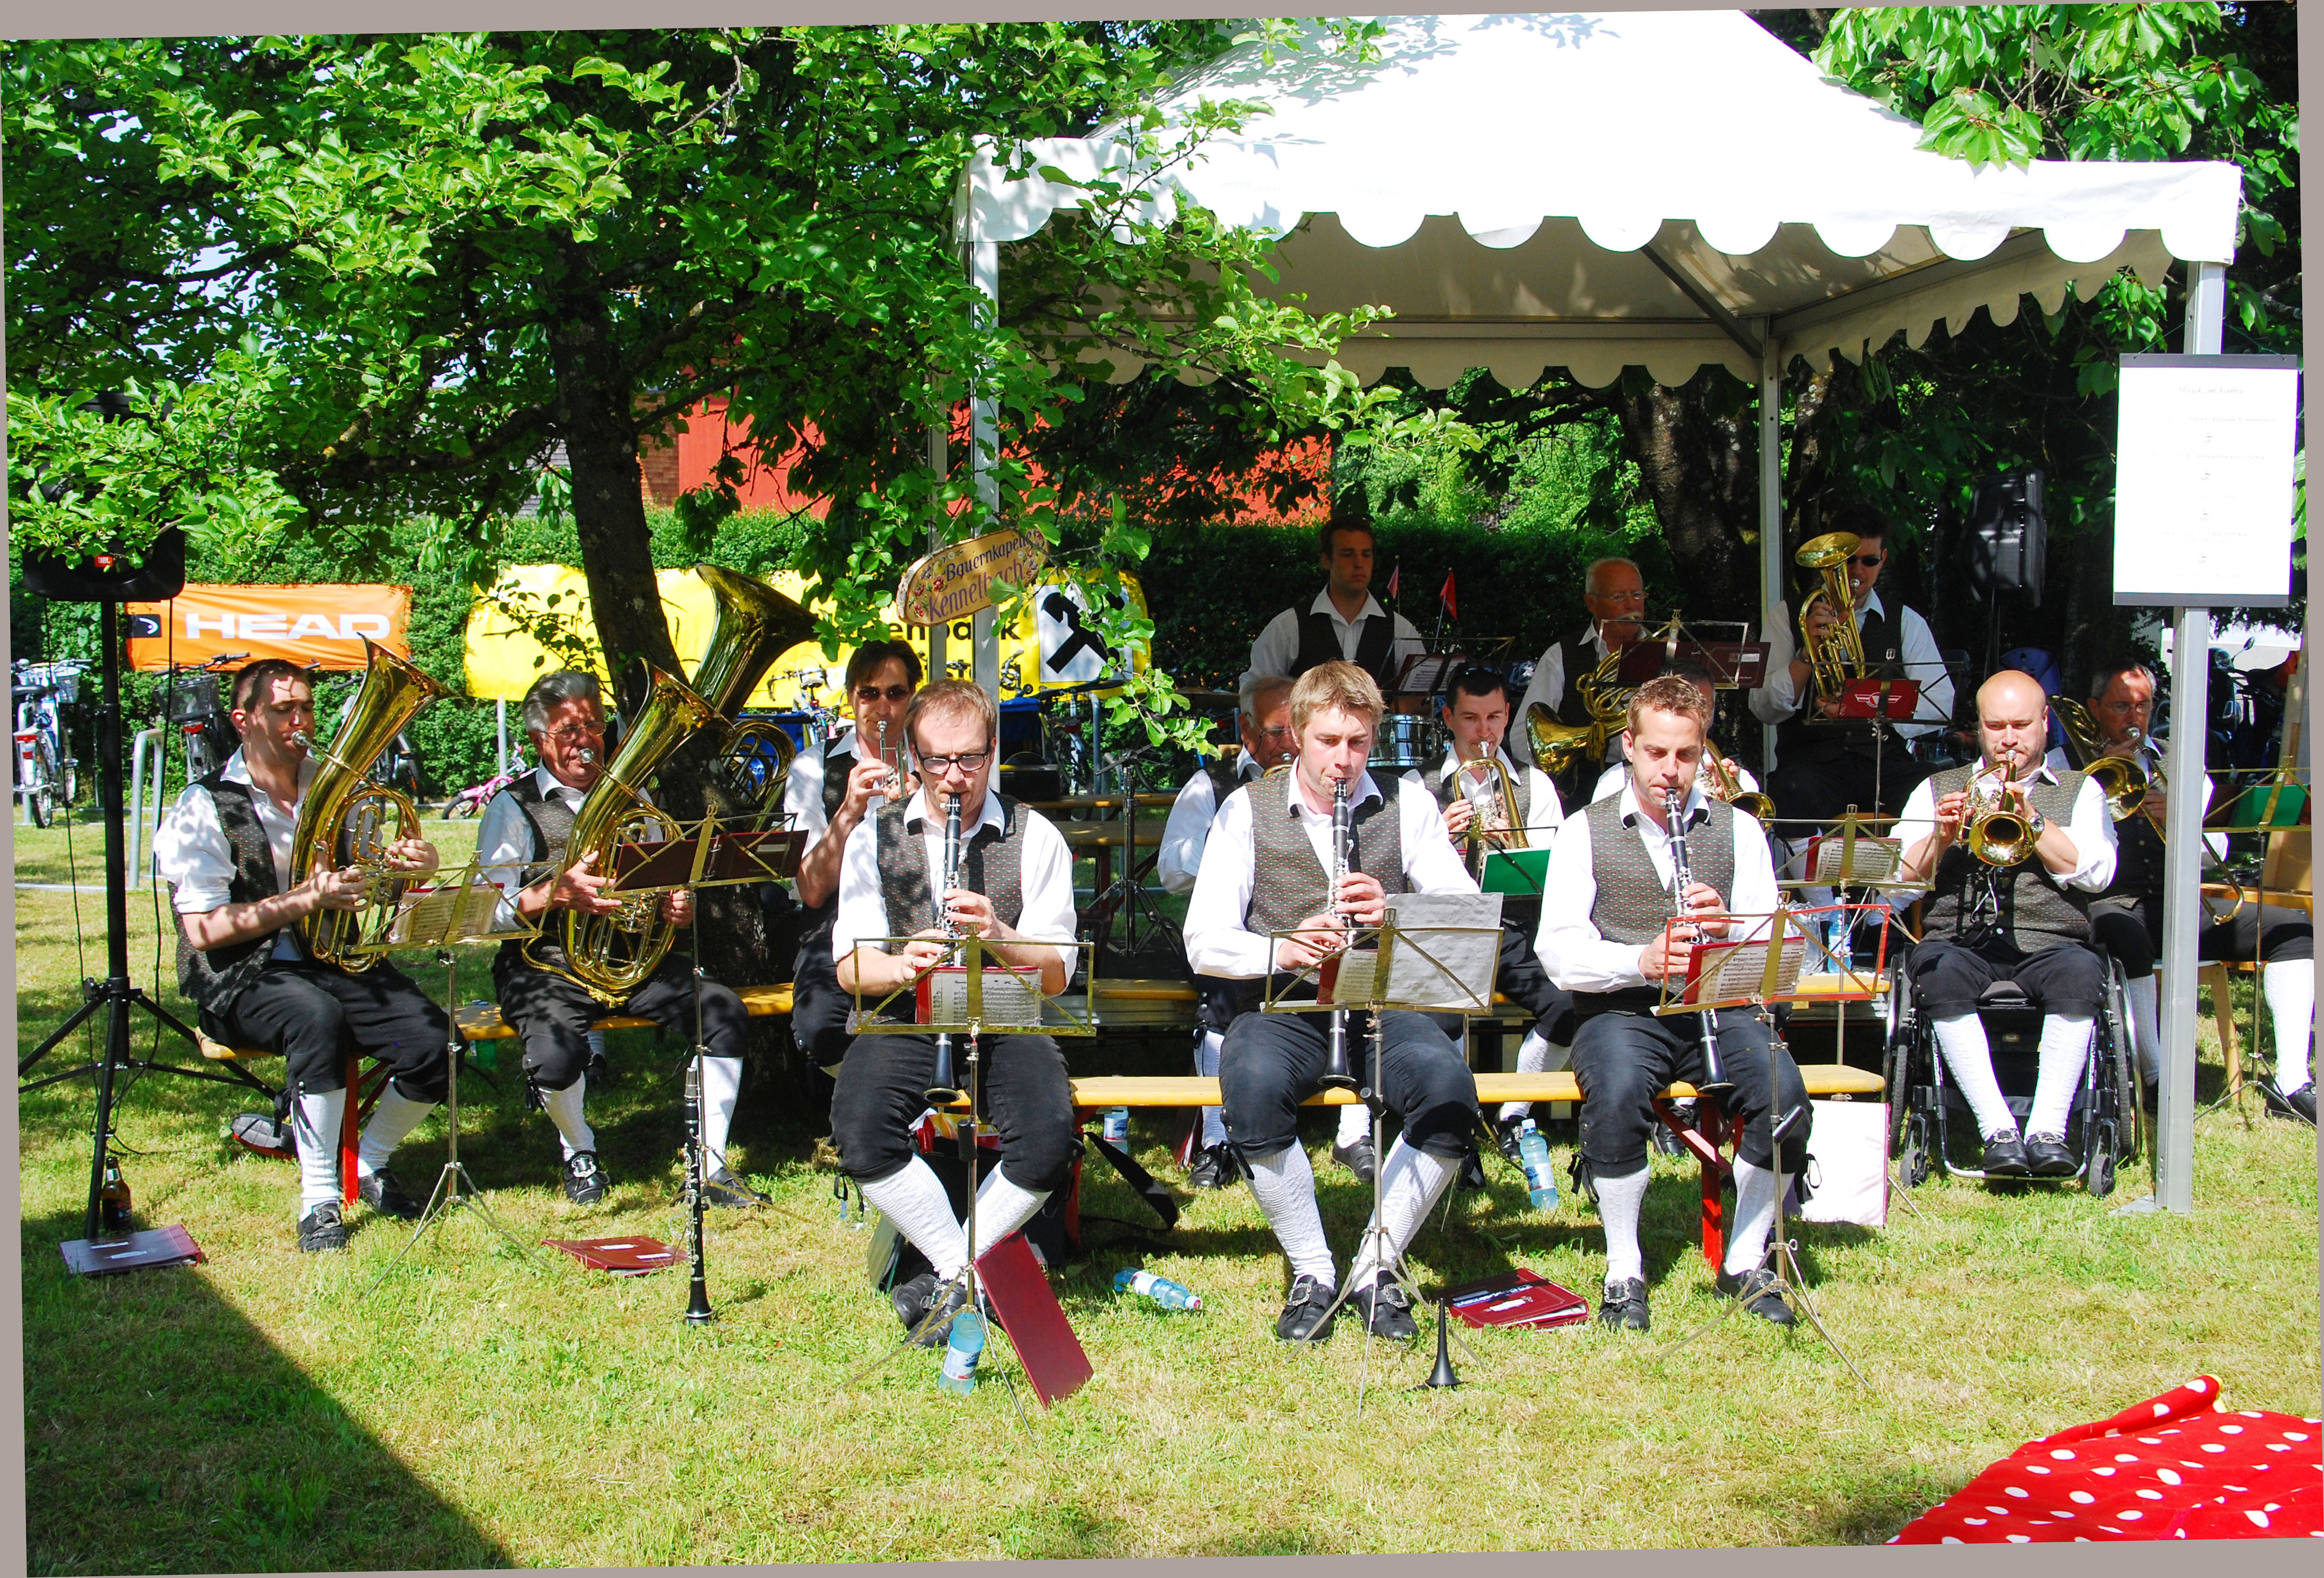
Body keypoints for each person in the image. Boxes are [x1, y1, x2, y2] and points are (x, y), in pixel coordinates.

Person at [1185, 661, 1483, 1343]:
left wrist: (1394, 912)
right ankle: (1313, 1268)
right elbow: (1202, 940)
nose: (1342, 760)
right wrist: (1283, 948)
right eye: (1326, 741)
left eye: (1357, 742)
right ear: (1295, 733)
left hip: (1381, 1005)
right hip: (1285, 1007)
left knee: (1448, 1090)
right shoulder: (1245, 809)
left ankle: (1376, 1265)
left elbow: (1465, 915)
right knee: (1250, 1084)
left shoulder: (1409, 805)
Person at [1535, 673, 1809, 1332]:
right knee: (1616, 1093)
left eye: (1685, 755)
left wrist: (1729, 926)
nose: (1670, 771)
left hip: (1718, 1005)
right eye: (1656, 752)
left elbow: (1773, 945)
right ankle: (1623, 1267)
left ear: (1702, 751)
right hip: (1620, 1006)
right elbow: (1557, 951)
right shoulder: (1582, 831)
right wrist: (1640, 959)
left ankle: (1744, 1260)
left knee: (1785, 1097)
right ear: (1628, 746)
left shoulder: (1739, 829)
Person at [154, 658, 454, 1252]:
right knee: (316, 1017)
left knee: (435, 1043)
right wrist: (303, 898)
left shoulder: (333, 787)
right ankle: (319, 1198)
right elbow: (206, 929)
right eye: (283, 709)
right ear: (243, 720)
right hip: (241, 977)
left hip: (334, 961)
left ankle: (369, 1161)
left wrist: (412, 868)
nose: (301, 720)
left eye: (307, 707)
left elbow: (375, 885)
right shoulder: (204, 804)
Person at [829, 680, 1082, 1343]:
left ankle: (950, 1279)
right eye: (937, 760)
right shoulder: (873, 836)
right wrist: (902, 965)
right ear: (913, 758)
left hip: (1003, 1011)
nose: (953, 777)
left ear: (992, 750)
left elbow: (1057, 974)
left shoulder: (1036, 835)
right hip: (907, 1014)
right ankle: (960, 1271)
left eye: (970, 758)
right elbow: (850, 967)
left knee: (1048, 1137)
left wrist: (997, 931)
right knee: (860, 1130)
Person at [476, 670, 761, 1208]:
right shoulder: (511, 807)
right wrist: (553, 894)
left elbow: (661, 881)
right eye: (568, 730)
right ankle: (579, 1149)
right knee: (555, 1058)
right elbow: (484, 910)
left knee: (722, 1012)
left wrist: (674, 908)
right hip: (546, 965)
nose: (585, 740)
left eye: (592, 726)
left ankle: (709, 1165)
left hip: (632, 961)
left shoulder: (637, 800)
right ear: (538, 740)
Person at [2055, 659, 2314, 1124]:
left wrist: (2180, 819)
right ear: (2093, 708)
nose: (2134, 717)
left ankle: (2291, 1084)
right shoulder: (2061, 765)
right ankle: (2156, 1077)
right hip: (2106, 903)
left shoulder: (2177, 761)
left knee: (2294, 931)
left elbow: (2214, 855)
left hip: (2179, 903)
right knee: (2125, 936)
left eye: (2143, 706)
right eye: (2120, 706)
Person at [1895, 671, 2118, 1177]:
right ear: (1979, 727)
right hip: (1961, 942)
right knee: (1936, 970)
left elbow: (2097, 875)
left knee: (2082, 973)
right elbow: (1895, 885)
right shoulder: (1936, 789)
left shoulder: (2081, 790)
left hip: (2052, 944)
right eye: (1995, 726)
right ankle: (1997, 1129)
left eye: (2020, 725)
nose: (2008, 739)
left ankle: (2047, 1130)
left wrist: (2032, 818)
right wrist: (1941, 837)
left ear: (2045, 723)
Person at [1403, 664, 1573, 1154]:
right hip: (1445, 932)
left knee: (1565, 1007)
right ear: (1447, 719)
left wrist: (1515, 847)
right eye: (1471, 718)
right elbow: (1399, 876)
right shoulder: (1416, 786)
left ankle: (1514, 1114)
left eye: (1494, 718)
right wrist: (1439, 834)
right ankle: (1454, 1119)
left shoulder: (1535, 786)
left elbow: (1555, 870)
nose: (1484, 732)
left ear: (1507, 715)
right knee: (1443, 1018)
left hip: (1512, 927)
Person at [1156, 673, 1301, 1189]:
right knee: (1220, 990)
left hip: (1307, 939)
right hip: (1234, 937)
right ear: (1246, 730)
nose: (1289, 743)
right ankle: (1217, 1139)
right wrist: (1234, 855)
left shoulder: (1325, 784)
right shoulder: (1210, 785)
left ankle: (1357, 1133)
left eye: (1297, 729)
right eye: (1276, 731)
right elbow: (1171, 868)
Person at [1749, 506, 1953, 841]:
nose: (1858, 571)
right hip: (1811, 764)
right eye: (1848, 561)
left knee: (1935, 791)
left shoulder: (1906, 621)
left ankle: (1908, 875)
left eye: (1869, 561)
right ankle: (1807, 879)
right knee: (1792, 790)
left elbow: (1940, 702)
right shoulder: (1787, 616)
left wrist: (1862, 706)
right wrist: (1807, 652)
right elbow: (1763, 707)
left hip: (1883, 761)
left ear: (1883, 559)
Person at [784, 641, 922, 1073]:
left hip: (920, 924)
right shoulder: (812, 768)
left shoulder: (936, 762)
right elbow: (811, 891)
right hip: (834, 928)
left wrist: (920, 808)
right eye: (869, 694)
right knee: (821, 1028)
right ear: (850, 698)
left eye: (895, 693)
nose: (882, 707)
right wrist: (848, 812)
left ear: (912, 697)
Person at [1242, 517, 1425, 695]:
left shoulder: (1401, 630)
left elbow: (1423, 698)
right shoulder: (1288, 628)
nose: (1359, 563)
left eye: (1366, 554)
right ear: (1326, 560)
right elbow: (1253, 692)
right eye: (1348, 554)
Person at [1515, 556, 1649, 784]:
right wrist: (1547, 786)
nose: (1631, 605)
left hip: (1654, 779)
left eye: (1637, 595)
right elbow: (1523, 737)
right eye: (1619, 597)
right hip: (1585, 789)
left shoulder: (1664, 653)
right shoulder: (1561, 655)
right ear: (1591, 603)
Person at [1589, 665, 1763, 806]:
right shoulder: (1614, 782)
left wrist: (1723, 809)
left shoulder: (1742, 783)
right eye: (1656, 752)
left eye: (1703, 706)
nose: (1671, 770)